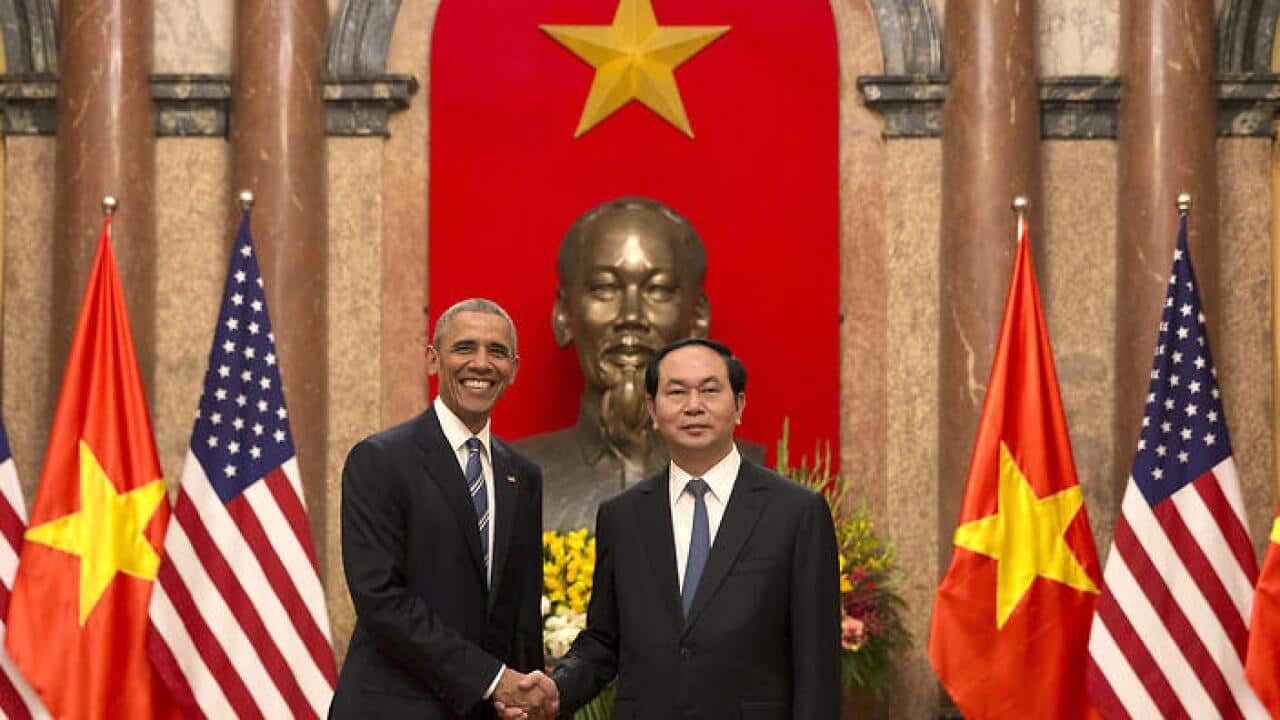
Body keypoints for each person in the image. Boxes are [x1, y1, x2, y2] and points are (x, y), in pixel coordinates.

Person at [504, 338, 841, 719]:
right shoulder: (622, 516)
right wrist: (556, 689)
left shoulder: (796, 513)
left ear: (739, 406)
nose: (693, 406)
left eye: (710, 390)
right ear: (652, 409)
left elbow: (818, 666)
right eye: (676, 392)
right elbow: (604, 642)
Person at [330, 299, 557, 719]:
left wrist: (523, 693)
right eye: (465, 348)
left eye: (498, 352)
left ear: (514, 368)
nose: (481, 363)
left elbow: (522, 614)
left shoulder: (523, 475)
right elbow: (382, 601)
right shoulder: (380, 460)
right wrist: (492, 680)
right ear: (433, 360)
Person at [516, 197, 761, 531]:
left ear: (698, 318)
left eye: (658, 290)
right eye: (605, 289)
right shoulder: (512, 482)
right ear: (563, 316)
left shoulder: (759, 482)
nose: (631, 317)